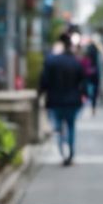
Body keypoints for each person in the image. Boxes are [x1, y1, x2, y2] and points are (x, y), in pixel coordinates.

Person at [38, 33, 86, 165]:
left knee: (58, 129)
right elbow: (82, 82)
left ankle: (63, 152)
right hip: (72, 101)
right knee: (71, 127)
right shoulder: (76, 62)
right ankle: (70, 152)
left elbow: (44, 81)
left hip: (55, 101)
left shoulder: (51, 61)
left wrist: (40, 95)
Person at [81, 39, 101, 112]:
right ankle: (93, 106)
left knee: (89, 90)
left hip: (88, 75)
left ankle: (89, 104)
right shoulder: (98, 53)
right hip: (95, 74)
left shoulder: (86, 55)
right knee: (94, 91)